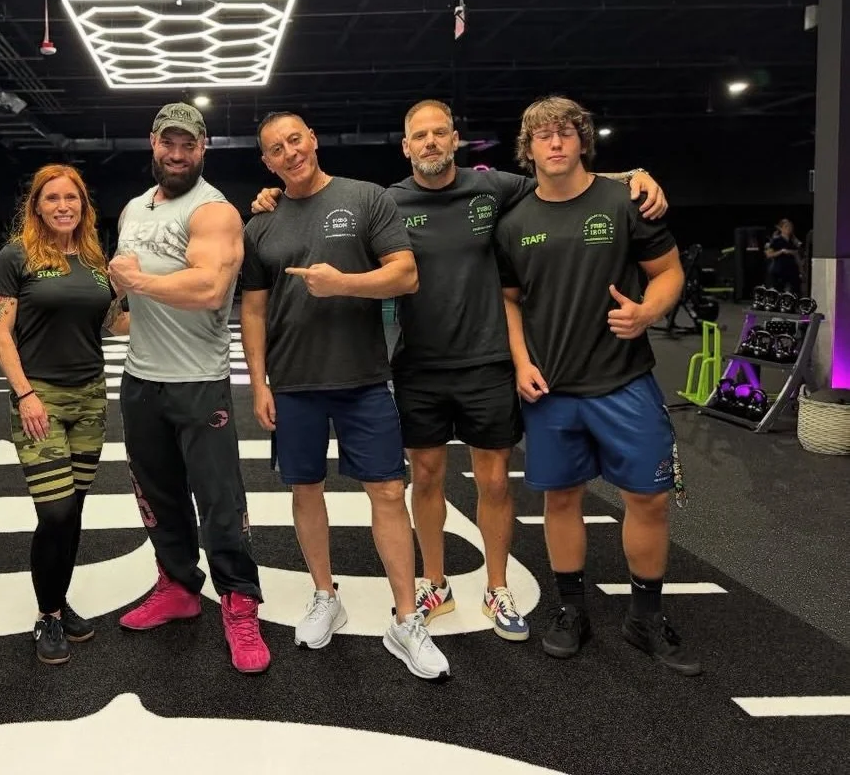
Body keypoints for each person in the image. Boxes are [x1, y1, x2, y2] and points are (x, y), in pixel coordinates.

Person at [249, 100, 667, 647]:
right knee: (424, 477)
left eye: (438, 132)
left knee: (494, 480)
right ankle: (435, 584)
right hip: (418, 363)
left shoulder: (494, 190)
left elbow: (563, 175)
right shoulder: (388, 200)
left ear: (454, 139)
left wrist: (633, 175)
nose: (428, 142)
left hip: (488, 361)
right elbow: (317, 220)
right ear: (405, 147)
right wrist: (270, 196)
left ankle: (496, 584)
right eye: (417, 135)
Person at [240, 111, 450, 681]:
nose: (289, 152)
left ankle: (407, 619)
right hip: (292, 383)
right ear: (267, 162)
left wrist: (343, 284)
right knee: (305, 489)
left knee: (387, 491)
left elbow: (405, 275)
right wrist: (258, 382)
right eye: (276, 149)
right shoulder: (259, 224)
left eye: (295, 139)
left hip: (363, 379)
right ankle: (325, 595)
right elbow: (253, 311)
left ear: (313, 138)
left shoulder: (366, 198)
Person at [494, 95, 700, 676]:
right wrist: (518, 361)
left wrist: (646, 312)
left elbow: (669, 273)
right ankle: (571, 609)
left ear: (583, 141)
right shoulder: (514, 223)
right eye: (543, 136)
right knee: (560, 499)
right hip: (552, 391)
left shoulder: (626, 200)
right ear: (528, 148)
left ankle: (645, 616)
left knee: (649, 498)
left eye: (566, 134)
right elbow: (509, 301)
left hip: (624, 382)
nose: (555, 144)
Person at [107, 102, 270, 675]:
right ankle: (177, 587)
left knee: (219, 504)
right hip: (141, 378)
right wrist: (121, 303)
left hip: (198, 382)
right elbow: (131, 294)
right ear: (153, 142)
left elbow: (208, 288)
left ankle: (239, 604)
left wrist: (135, 281)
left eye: (189, 145)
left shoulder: (214, 211)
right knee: (158, 497)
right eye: (168, 143)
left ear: (204, 149)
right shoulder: (133, 208)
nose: (177, 154)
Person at [0, 163, 129, 666]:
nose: (63, 206)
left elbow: (115, 324)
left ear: (84, 206)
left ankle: (58, 601)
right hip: (40, 397)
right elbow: (0, 332)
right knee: (56, 511)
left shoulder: (94, 261)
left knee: (75, 510)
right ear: (37, 206)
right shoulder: (16, 257)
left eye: (72, 198)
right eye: (53, 198)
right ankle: (46, 615)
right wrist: (24, 394)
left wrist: (146, 291)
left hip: (91, 396)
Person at [764, 218, 803, 294]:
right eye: (786, 226)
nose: (788, 229)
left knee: (795, 291)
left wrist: (801, 270)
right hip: (780, 270)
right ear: (781, 228)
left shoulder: (793, 241)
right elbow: (769, 254)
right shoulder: (776, 240)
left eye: (790, 227)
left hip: (792, 270)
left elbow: (797, 256)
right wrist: (781, 251)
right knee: (778, 292)